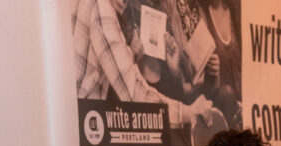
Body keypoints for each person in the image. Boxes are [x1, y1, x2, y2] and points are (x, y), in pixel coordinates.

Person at [72, 0, 214, 132]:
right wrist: (189, 112)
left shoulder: (114, 9)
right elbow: (135, 95)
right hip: (82, 124)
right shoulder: (101, 7)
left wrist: (174, 71)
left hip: (89, 121)